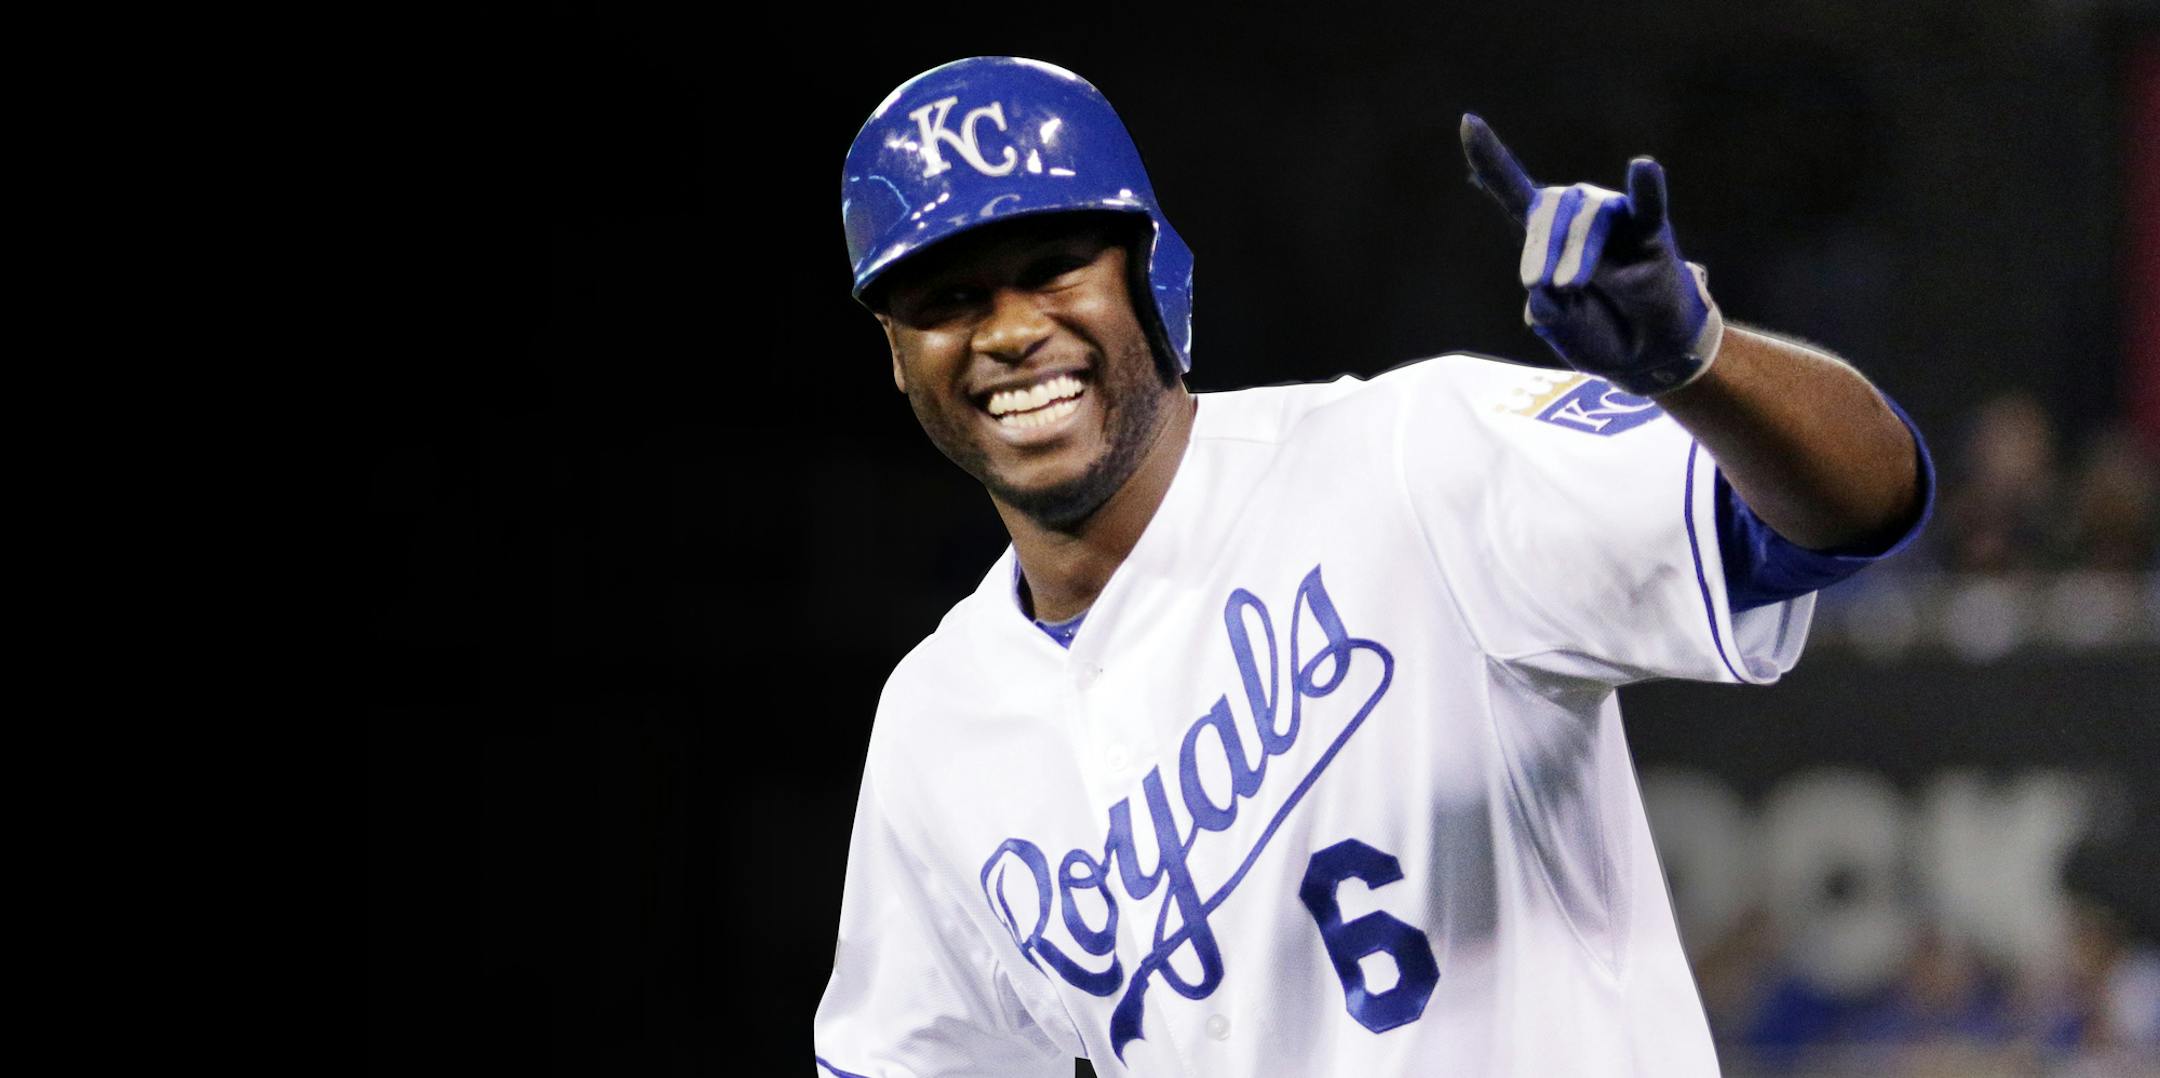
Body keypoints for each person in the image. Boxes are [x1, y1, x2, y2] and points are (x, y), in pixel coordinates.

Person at [814, 56, 1933, 1077]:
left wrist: (1700, 363)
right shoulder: (934, 721)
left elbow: (1852, 507)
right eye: (946, 301)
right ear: (898, 356)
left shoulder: (1409, 455)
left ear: (1152, 278)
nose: (1008, 330)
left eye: (1051, 269)